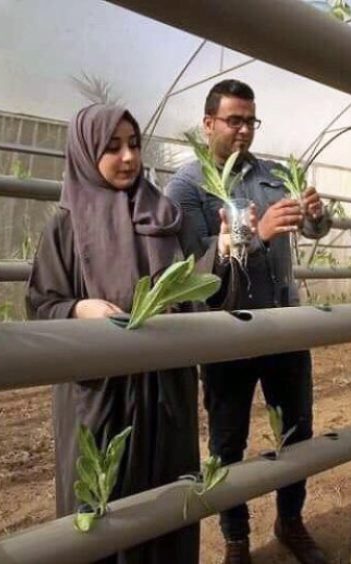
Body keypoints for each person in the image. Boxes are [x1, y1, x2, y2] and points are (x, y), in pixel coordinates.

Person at [26, 103, 244, 564]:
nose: (128, 158)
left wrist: (221, 255)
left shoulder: (165, 216)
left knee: (167, 504)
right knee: (103, 507)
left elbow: (197, 287)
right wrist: (78, 308)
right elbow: (41, 306)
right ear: (85, 153)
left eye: (134, 144)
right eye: (112, 147)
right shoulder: (65, 227)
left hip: (166, 392)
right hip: (102, 395)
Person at [167, 79, 331, 564]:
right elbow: (198, 266)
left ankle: (290, 520)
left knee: (297, 431)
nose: (243, 130)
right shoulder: (187, 185)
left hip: (283, 325)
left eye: (250, 121)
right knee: (227, 441)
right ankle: (236, 539)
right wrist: (253, 234)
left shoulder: (273, 174)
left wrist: (317, 216)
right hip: (226, 333)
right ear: (209, 123)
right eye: (233, 120)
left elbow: (312, 229)